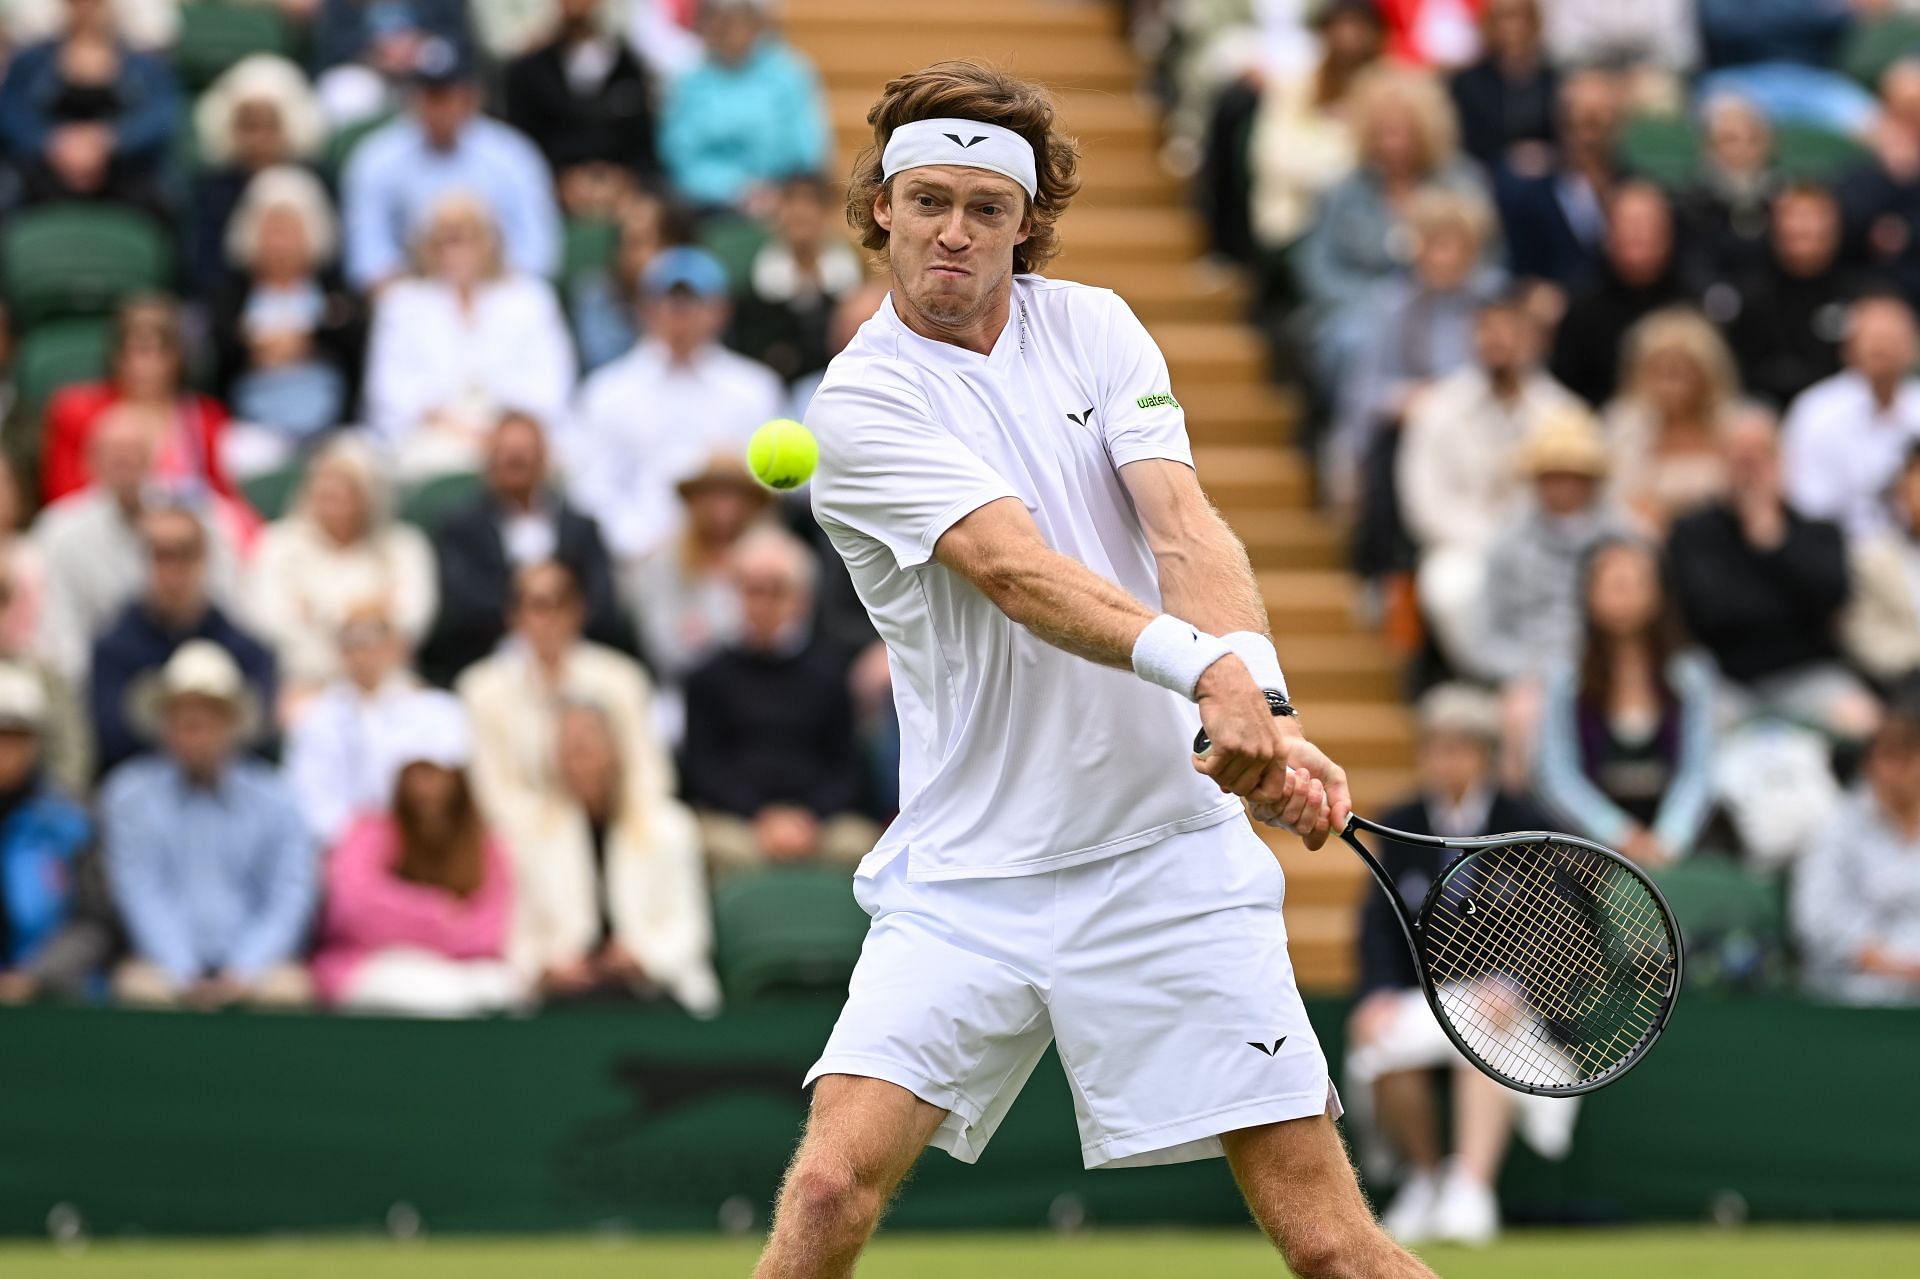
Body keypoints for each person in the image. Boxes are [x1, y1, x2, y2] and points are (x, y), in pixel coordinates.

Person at [755, 62, 1430, 1279]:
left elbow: (1184, 527)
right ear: (883, 211)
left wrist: (1260, 701)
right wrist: (1208, 679)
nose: (953, 231)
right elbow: (1017, 572)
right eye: (928, 201)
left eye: (986, 208)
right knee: (823, 1194)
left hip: (1170, 859)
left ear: (1027, 225)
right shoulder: (859, 408)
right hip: (971, 878)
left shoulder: (1100, 325)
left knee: (1335, 1247)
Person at [1346, 684, 1557, 1248]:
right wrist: (1378, 994)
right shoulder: (1402, 820)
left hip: (1509, 1005)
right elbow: (1378, 924)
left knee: (1488, 1039)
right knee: (1381, 1040)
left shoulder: (1526, 821)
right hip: (1424, 997)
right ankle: (1425, 1177)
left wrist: (1516, 987)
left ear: (1485, 754)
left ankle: (1471, 1185)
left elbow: (1559, 928)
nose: (1447, 761)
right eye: (1436, 748)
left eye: (1460, 748)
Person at [457, 561, 714, 1008]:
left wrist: (615, 813)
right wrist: (558, 822)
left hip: (626, 826)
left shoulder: (622, 677)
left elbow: (650, 773)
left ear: (579, 611)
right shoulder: (482, 687)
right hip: (532, 843)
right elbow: (491, 796)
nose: (547, 618)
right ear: (514, 615)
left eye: (559, 604)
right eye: (535, 605)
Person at [102, 641, 315, 1009]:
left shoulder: (277, 798)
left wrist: (244, 970)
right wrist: (183, 971)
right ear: (164, 724)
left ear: (232, 723)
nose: (194, 732)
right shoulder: (128, 795)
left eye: (207, 719)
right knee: (139, 990)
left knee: (287, 991)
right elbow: (140, 891)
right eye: (183, 719)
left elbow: (288, 896)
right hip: (160, 966)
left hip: (257, 968)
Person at [1667, 406, 1879, 740]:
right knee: (1690, 731)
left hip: (1808, 676)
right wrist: (1783, 601)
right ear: (1721, 463)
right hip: (1726, 681)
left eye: (1758, 458)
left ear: (1781, 461)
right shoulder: (1693, 533)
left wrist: (1771, 541)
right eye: (1739, 460)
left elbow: (1830, 597)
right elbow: (1711, 612)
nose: (1749, 472)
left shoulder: (1818, 531)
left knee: (1862, 721)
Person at [310, 690, 524, 1017]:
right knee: (433, 995)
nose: (423, 786)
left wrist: (410, 923)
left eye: (434, 771)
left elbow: (491, 929)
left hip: (463, 974)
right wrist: (440, 914)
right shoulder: (367, 830)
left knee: (501, 989)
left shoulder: (485, 843)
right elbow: (352, 909)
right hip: (372, 968)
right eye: (414, 772)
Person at [1398, 294, 1580, 675]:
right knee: (1449, 588)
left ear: (1534, 337)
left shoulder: (1563, 413)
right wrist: (1492, 542)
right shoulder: (1439, 409)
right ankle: (1497, 679)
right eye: (1487, 329)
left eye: (1509, 329)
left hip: (1546, 546)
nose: (1498, 340)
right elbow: (1424, 505)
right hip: (1464, 549)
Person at [681, 525, 877, 878]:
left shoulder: (830, 674)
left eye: (776, 591)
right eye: (752, 590)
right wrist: (761, 818)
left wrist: (807, 820)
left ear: (801, 599)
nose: (762, 603)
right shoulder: (707, 677)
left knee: (859, 845)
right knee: (713, 846)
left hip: (818, 823)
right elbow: (703, 767)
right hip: (738, 822)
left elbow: (847, 767)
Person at [567, 246, 784, 562]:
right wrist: (640, 545)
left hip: (736, 561)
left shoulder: (755, 389)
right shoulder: (606, 392)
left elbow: (771, 489)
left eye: (693, 302)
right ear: (645, 308)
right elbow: (592, 489)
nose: (679, 314)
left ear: (719, 310)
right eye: (668, 301)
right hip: (637, 559)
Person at [509, 695, 721, 1013]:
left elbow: (690, 929)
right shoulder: (531, 835)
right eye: (569, 748)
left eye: (589, 744)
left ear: (616, 748)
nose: (579, 758)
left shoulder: (669, 826)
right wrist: (550, 967)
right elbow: (519, 934)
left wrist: (641, 957)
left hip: (655, 991)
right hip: (565, 998)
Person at [1293, 64, 1493, 396]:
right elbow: (1319, 266)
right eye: (1382, 133)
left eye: (1402, 132)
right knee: (1353, 342)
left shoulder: (1463, 183)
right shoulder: (1343, 191)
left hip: (1451, 306)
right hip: (1363, 310)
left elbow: (1489, 258)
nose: (1392, 145)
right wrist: (1377, 302)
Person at [362, 192, 577, 478]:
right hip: (432, 437)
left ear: (491, 240)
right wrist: (460, 430)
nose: (458, 249)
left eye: (468, 236)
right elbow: (391, 391)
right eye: (447, 239)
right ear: (428, 245)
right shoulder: (402, 303)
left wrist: (502, 432)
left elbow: (551, 383)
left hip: (518, 432)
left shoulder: (530, 298)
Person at [1534, 538, 1717, 868]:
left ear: (1658, 592)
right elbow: (1557, 774)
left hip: (1674, 842)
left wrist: (1670, 837)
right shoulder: (1565, 676)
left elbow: (1699, 771)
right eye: (1613, 584)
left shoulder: (1689, 674)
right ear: (1588, 593)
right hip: (1590, 844)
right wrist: (1617, 833)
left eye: (1635, 583)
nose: (1624, 595)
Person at [418, 411, 626, 686]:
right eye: (506, 453)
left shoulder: (581, 528)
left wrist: (557, 629)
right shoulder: (460, 529)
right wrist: (533, 619)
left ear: (545, 459)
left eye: (525, 453)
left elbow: (603, 602)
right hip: (491, 660)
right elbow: (462, 606)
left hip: (577, 656)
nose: (515, 461)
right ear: (488, 461)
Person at [32, 412, 239, 686]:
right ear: (90, 460)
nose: (124, 462)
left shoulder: (198, 515)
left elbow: (227, 601)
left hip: (194, 676)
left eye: (134, 452)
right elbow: (60, 633)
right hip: (100, 681)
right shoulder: (59, 531)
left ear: (154, 457)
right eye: (114, 453)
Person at [339, 36, 560, 291]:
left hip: (498, 295)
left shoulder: (512, 155)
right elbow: (367, 254)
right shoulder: (377, 156)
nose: (438, 109)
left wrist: (486, 292)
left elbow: (539, 250)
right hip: (411, 296)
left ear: (471, 98)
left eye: (447, 96)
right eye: (430, 95)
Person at [1330, 186, 1502, 513]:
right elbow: (1363, 391)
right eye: (1432, 244)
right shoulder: (1391, 305)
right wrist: (1402, 398)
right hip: (1411, 436)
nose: (1441, 257)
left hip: (1481, 435)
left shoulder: (1494, 302)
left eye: (1451, 245)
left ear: (1472, 250)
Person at [241, 437, 436, 710]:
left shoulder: (404, 546)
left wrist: (316, 613)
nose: (335, 497)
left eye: (348, 489)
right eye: (326, 487)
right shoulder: (277, 544)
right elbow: (271, 624)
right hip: (306, 682)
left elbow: (410, 624)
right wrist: (370, 613)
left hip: (389, 682)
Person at [90, 504, 276, 775]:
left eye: (185, 553)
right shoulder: (113, 650)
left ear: (204, 559)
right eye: (161, 555)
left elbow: (259, 732)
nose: (173, 570)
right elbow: (112, 739)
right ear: (145, 561)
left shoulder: (246, 651)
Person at [211, 167, 365, 468]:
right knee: (235, 455)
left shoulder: (337, 292)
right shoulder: (232, 295)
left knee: (358, 454)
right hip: (254, 427)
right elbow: (221, 353)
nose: (280, 243)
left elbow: (352, 347)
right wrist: (254, 348)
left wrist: (307, 341)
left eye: (290, 229)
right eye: (272, 229)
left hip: (328, 428)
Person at [1475, 407, 1631, 686]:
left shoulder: (1627, 539)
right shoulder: (1507, 543)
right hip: (1530, 677)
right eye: (1553, 475)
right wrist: (1531, 672)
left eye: (1575, 475)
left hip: (1614, 676)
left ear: (1595, 479)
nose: (1564, 487)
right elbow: (1487, 637)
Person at [40, 296, 236, 509]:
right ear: (116, 355)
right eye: (139, 350)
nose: (148, 364)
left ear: (179, 357)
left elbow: (220, 500)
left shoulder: (206, 419)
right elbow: (63, 497)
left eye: (162, 350)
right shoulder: (75, 412)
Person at [1792, 693, 1920, 1005]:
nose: (1898, 771)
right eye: (1889, 756)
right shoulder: (1835, 828)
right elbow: (1816, 919)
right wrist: (1882, 962)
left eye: (1909, 756)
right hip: (1854, 993)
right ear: (1869, 763)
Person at [0, 0, 178, 209]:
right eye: (77, 2)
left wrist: (109, 141)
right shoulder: (30, 62)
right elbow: (11, 113)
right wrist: (54, 142)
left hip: (123, 173)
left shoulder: (145, 66)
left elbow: (160, 117)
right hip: (43, 172)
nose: (86, 8)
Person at [1240, 0, 1386, 255]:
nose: (1349, 36)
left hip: (1376, 221)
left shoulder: (1394, 91)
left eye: (1358, 26)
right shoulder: (1293, 88)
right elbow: (1273, 158)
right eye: (1340, 26)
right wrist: (1344, 146)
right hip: (1300, 221)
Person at [657, 0, 828, 211]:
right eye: (717, 18)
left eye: (737, 17)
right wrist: (734, 189)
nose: (728, 28)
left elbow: (808, 150)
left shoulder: (791, 74)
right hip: (706, 207)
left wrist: (773, 191)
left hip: (781, 201)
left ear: (757, 22)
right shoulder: (688, 81)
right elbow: (680, 157)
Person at [1781, 294, 1920, 539]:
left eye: (1893, 340)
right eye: (1875, 341)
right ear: (1848, 348)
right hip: (1837, 550)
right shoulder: (1816, 411)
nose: (1884, 349)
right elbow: (1808, 504)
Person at [628, 452, 771, 689]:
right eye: (714, 493)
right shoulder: (663, 564)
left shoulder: (773, 561)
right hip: (685, 691)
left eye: (733, 495)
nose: (723, 507)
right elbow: (664, 648)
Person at [284, 604, 423, 845]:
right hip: (341, 849)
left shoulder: (430, 710)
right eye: (353, 642)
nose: (363, 654)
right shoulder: (316, 716)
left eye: (373, 640)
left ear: (395, 646)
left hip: (416, 846)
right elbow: (309, 798)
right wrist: (360, 843)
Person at [188, 55, 328, 293]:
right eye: (249, 127)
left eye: (269, 126)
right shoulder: (214, 192)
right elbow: (205, 267)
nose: (259, 140)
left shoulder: (317, 182)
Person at [503, 0, 659, 212]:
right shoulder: (528, 72)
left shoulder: (629, 68)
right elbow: (518, 149)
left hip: (622, 202)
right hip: (547, 201)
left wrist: (624, 179)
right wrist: (559, 181)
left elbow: (643, 149)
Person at [1549, 182, 1692, 407]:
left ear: (1668, 233)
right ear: (1608, 235)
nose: (1637, 233)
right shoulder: (1581, 308)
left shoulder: (1693, 305)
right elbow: (1565, 394)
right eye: (1628, 224)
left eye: (1647, 224)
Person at [0, 663, 94, 1005]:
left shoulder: (70, 820)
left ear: (37, 743)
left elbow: (94, 923)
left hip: (54, 997)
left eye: (16, 737)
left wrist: (36, 975)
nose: (5, 751)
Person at [1724, 184, 1861, 408]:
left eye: (1813, 216)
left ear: (1835, 226)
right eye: (1794, 216)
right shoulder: (1750, 296)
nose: (1803, 227)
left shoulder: (1859, 297)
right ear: (1775, 226)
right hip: (1762, 414)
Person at [1604, 308, 1740, 533]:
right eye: (1655, 373)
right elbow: (1614, 502)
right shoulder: (1622, 427)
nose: (1666, 387)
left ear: (1706, 374)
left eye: (1677, 373)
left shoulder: (1736, 426)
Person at [1493, 68, 1627, 291]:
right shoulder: (1530, 194)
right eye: (1570, 123)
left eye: (1593, 124)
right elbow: (1521, 272)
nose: (1583, 137)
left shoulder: (1635, 192)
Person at [729, 173, 869, 384]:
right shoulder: (751, 288)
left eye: (811, 203)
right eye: (791, 203)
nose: (800, 213)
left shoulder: (856, 283)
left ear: (827, 214)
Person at [1676, 94, 1778, 292]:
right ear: (1707, 148)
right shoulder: (1689, 207)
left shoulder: (1781, 204)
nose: (1742, 151)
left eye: (1753, 140)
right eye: (1729, 140)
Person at [1447, 0, 1556, 178]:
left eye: (1520, 17)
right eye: (1503, 18)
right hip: (1487, 174)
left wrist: (1545, 156)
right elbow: (1466, 142)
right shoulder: (1468, 83)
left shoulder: (1552, 80)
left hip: (1545, 175)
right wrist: (1510, 157)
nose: (1512, 27)